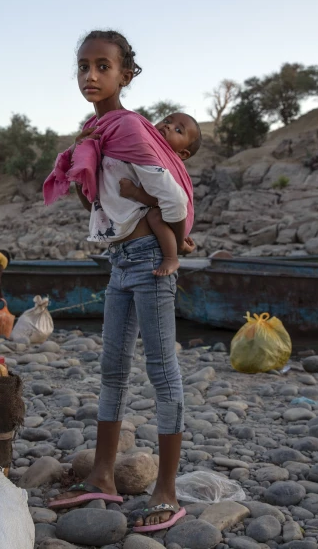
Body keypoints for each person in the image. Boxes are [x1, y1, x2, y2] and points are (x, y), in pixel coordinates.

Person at [45, 30, 193, 532]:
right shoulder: (97, 130)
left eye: (103, 66)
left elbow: (171, 201)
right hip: (119, 262)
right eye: (83, 65)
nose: (91, 75)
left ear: (125, 74)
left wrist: (143, 203)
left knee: (161, 372)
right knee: (111, 370)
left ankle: (167, 490)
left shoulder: (127, 127)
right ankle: (104, 476)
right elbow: (102, 203)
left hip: (151, 260)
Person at [116, 112, 202, 276]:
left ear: (182, 154)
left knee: (154, 215)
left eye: (178, 130)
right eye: (166, 120)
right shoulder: (151, 154)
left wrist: (134, 192)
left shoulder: (166, 164)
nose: (168, 126)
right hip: (166, 219)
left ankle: (172, 257)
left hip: (176, 217)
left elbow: (160, 200)